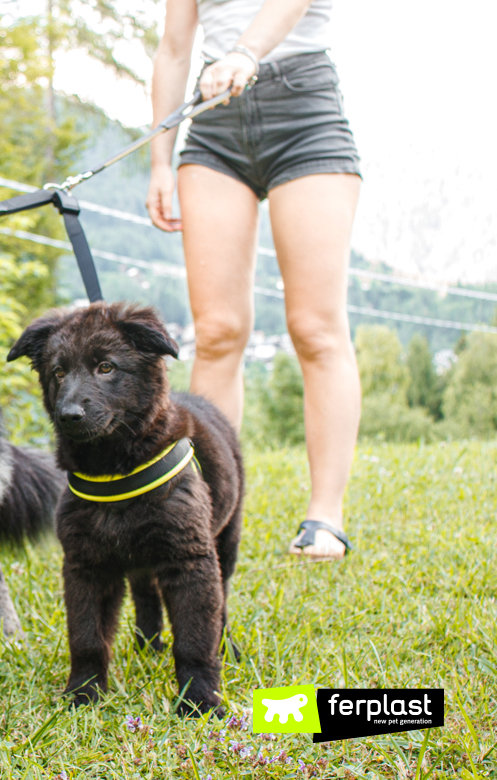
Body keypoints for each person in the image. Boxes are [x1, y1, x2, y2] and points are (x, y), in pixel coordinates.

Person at [146, 0, 360, 558]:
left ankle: (325, 517)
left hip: (303, 107)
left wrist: (246, 51)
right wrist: (160, 162)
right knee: (217, 331)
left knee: (315, 328)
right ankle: (209, 510)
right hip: (214, 117)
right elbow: (173, 48)